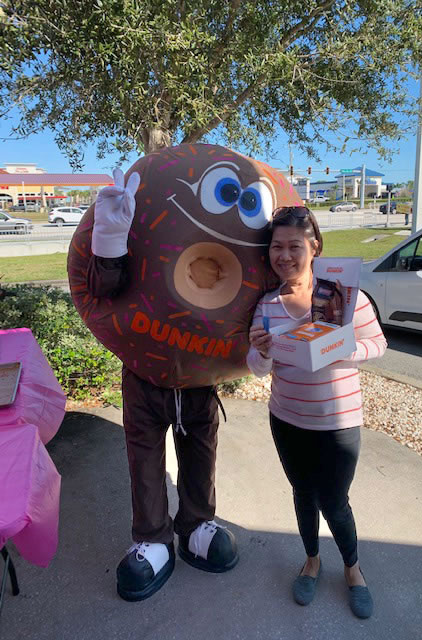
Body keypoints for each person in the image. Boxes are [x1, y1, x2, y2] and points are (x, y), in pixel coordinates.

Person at [86, 169, 238, 602]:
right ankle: (152, 536)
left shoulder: (218, 238)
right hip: (146, 374)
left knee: (201, 452)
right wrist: (110, 240)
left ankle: (196, 522)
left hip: (198, 376)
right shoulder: (142, 231)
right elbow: (100, 290)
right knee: (145, 461)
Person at [247, 206, 387, 619]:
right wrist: (262, 352)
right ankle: (311, 561)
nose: (284, 256)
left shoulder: (345, 298)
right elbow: (257, 369)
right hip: (287, 419)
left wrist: (344, 349)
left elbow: (378, 344)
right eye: (277, 247)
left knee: (335, 501)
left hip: (337, 420)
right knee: (303, 494)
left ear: (315, 248)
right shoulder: (267, 305)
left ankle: (353, 569)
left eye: (294, 246)